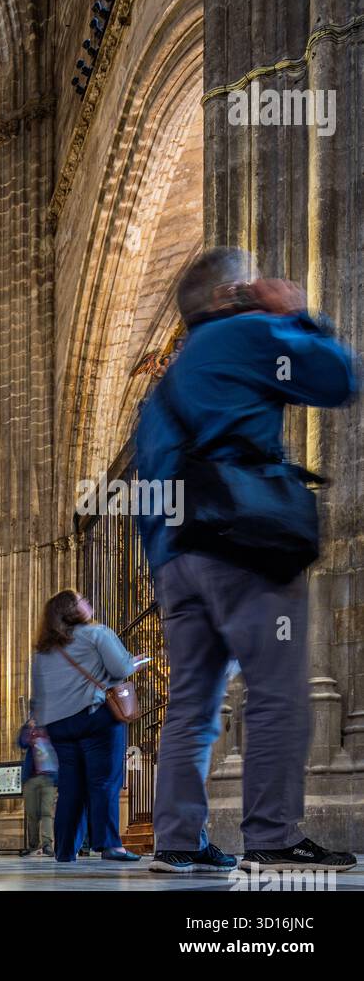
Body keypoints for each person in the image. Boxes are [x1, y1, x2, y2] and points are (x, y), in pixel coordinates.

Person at [136, 250, 359, 874]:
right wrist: (297, 315)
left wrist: (167, 564)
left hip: (175, 562)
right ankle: (272, 836)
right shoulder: (250, 332)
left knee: (190, 706)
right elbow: (336, 378)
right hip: (243, 541)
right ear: (232, 293)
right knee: (276, 689)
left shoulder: (163, 390)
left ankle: (178, 842)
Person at [31, 591, 141, 864]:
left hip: (59, 727)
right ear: (72, 609)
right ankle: (109, 845)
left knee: (71, 788)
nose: (88, 603)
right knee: (104, 781)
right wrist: (134, 662)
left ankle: (65, 849)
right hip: (95, 718)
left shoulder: (43, 652)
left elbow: (40, 694)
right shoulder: (97, 634)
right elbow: (121, 669)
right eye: (83, 600)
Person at [18, 717, 57, 856]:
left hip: (49, 776)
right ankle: (33, 845)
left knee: (47, 812)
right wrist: (28, 727)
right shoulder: (30, 726)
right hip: (32, 777)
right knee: (32, 813)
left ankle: (47, 845)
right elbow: (21, 743)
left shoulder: (53, 725)